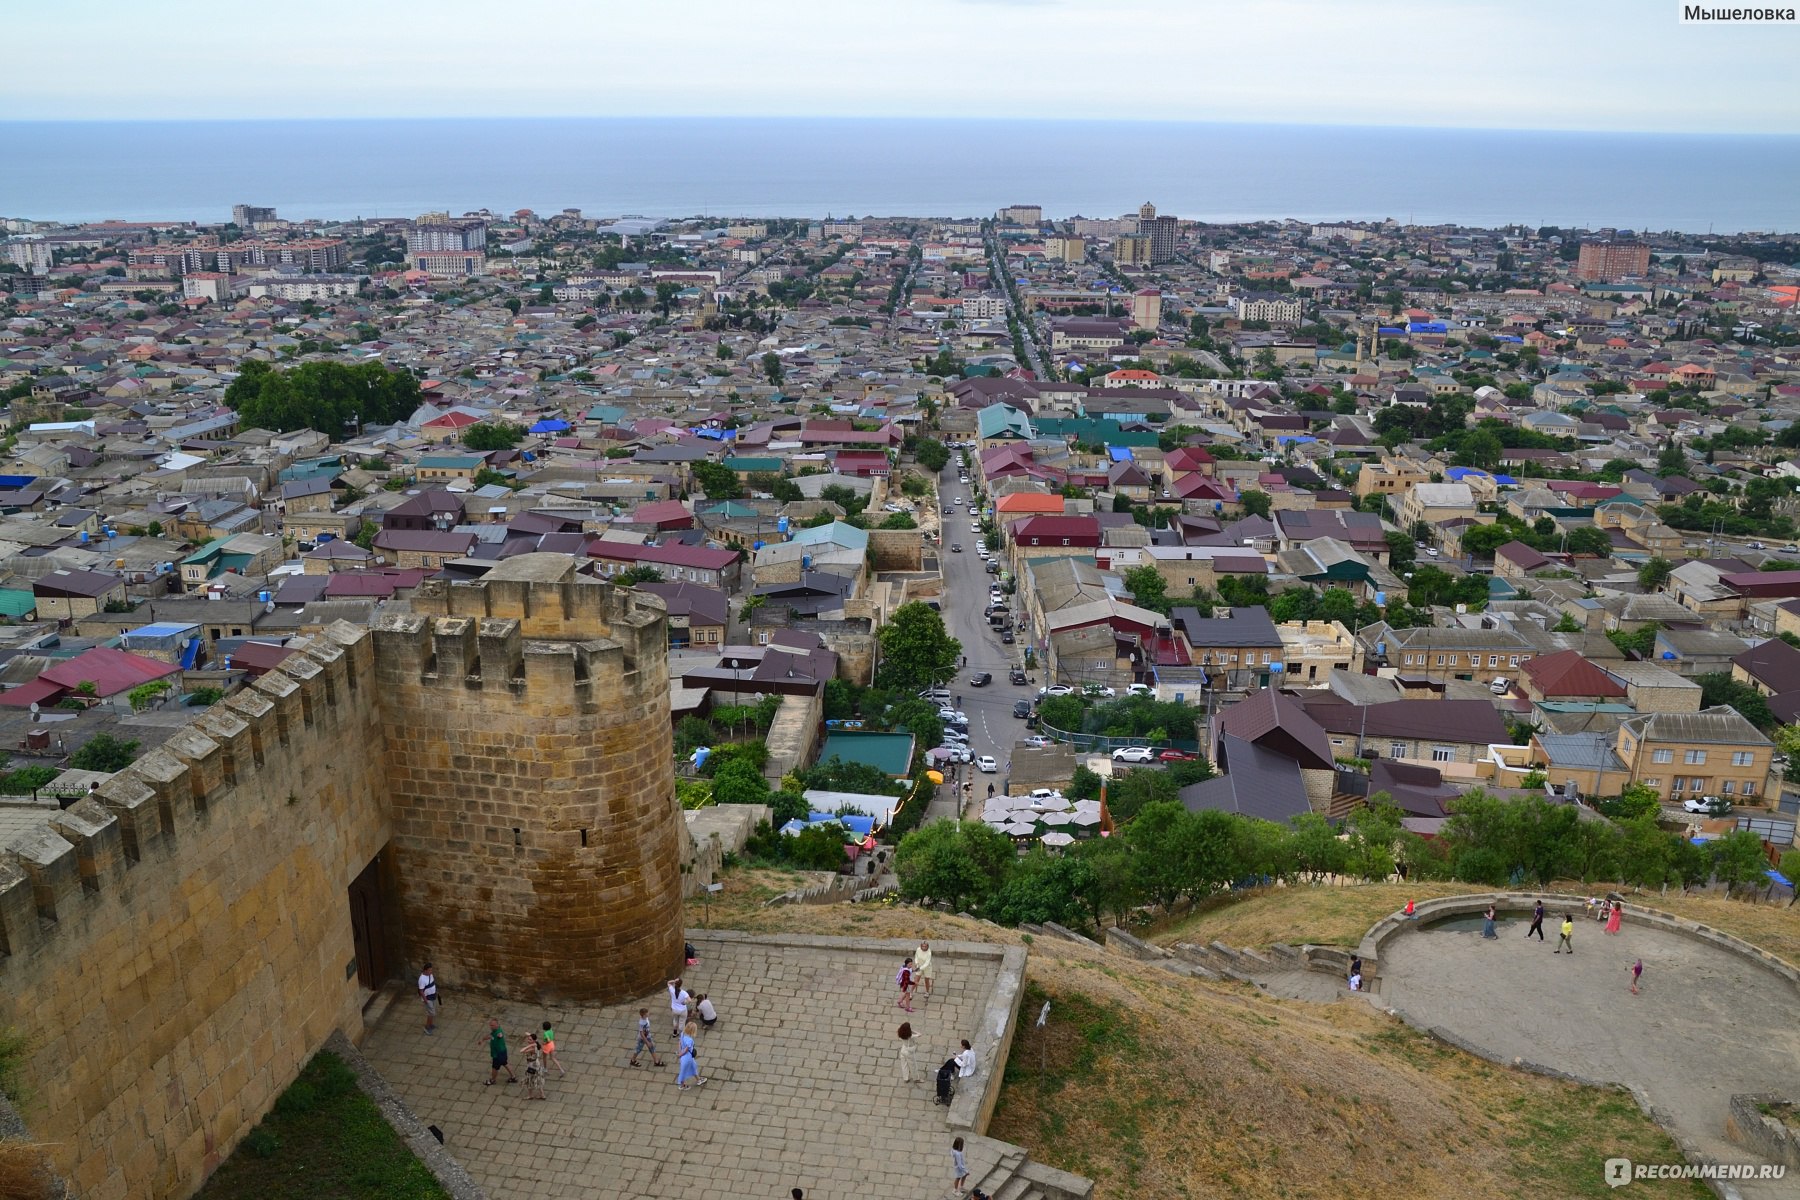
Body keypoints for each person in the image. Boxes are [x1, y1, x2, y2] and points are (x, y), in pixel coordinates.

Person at [484, 1018, 518, 1086]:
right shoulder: (494, 1031)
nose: (491, 1027)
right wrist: (483, 1039)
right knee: (505, 1063)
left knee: (494, 1067)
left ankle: (493, 1080)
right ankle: (513, 1077)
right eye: (490, 1025)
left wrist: (499, 1035)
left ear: (497, 1025)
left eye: (493, 1025)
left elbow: (500, 1035)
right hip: (502, 1052)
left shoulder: (498, 1032)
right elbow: (490, 1036)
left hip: (498, 1054)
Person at [676, 1021, 705, 1090]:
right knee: (683, 1071)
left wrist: (680, 1052)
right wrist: (680, 1054)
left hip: (686, 1056)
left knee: (693, 1066)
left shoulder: (682, 1034)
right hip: (687, 1057)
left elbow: (679, 1043)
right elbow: (686, 1050)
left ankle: (698, 1079)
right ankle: (682, 1085)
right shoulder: (690, 1040)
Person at [521, 1033, 547, 1100]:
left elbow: (522, 1051)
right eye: (528, 1039)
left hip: (531, 1066)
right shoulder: (537, 1045)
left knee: (529, 1080)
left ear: (533, 1041)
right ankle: (542, 1095)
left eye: (530, 1039)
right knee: (537, 1079)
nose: (528, 1040)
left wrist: (529, 1046)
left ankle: (530, 1095)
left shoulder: (533, 1048)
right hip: (536, 1064)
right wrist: (530, 1035)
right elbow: (536, 1040)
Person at [417, 962, 438, 1035]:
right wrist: (425, 1000)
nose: (431, 972)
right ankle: (427, 1027)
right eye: (429, 970)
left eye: (431, 970)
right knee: (431, 1013)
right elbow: (421, 991)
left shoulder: (430, 975)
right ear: (425, 970)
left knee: (432, 1012)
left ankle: (431, 1025)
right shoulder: (422, 979)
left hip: (433, 996)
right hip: (428, 998)